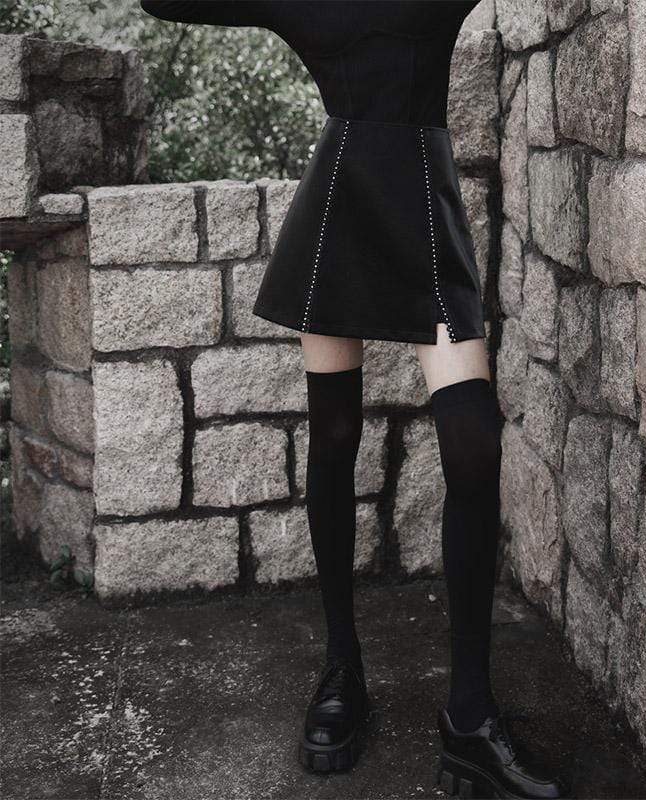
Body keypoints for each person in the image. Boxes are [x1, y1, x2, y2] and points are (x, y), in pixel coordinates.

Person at [139, 2, 565, 797]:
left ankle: (470, 715)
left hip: (426, 220)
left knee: (474, 444)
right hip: (338, 211)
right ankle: (342, 668)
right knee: (334, 434)